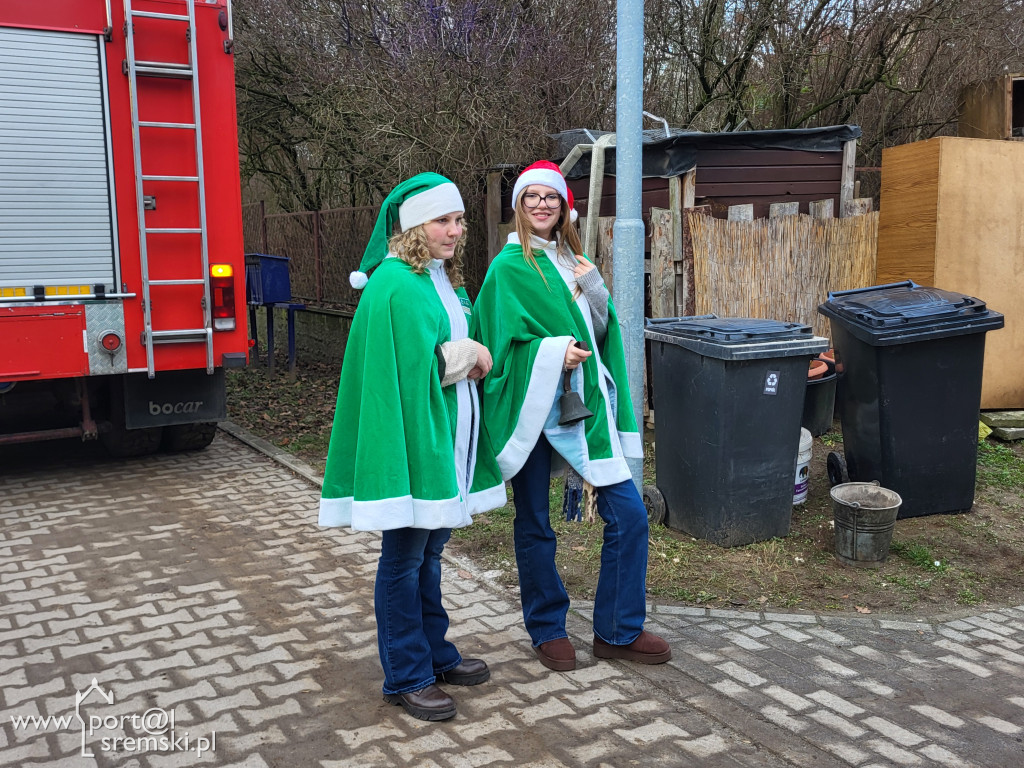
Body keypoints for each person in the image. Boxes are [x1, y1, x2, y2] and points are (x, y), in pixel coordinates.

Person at [319, 172, 506, 721]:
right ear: (413, 227)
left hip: (442, 435)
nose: (456, 230)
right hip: (411, 440)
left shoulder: (437, 277)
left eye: (459, 220)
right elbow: (404, 372)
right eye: (442, 220)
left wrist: (468, 352)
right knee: (403, 559)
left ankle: (434, 653)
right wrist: (470, 355)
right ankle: (406, 673)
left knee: (428, 553)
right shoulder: (395, 283)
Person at [472, 161, 671, 672]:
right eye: (532, 196)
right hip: (531, 408)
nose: (542, 205)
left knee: (628, 515)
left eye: (551, 198)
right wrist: (550, 353)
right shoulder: (507, 268)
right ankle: (547, 628)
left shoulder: (575, 262)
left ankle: (617, 630)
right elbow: (494, 350)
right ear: (519, 205)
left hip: (582, 407)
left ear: (564, 207)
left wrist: (597, 291)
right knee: (535, 523)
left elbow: (600, 335)